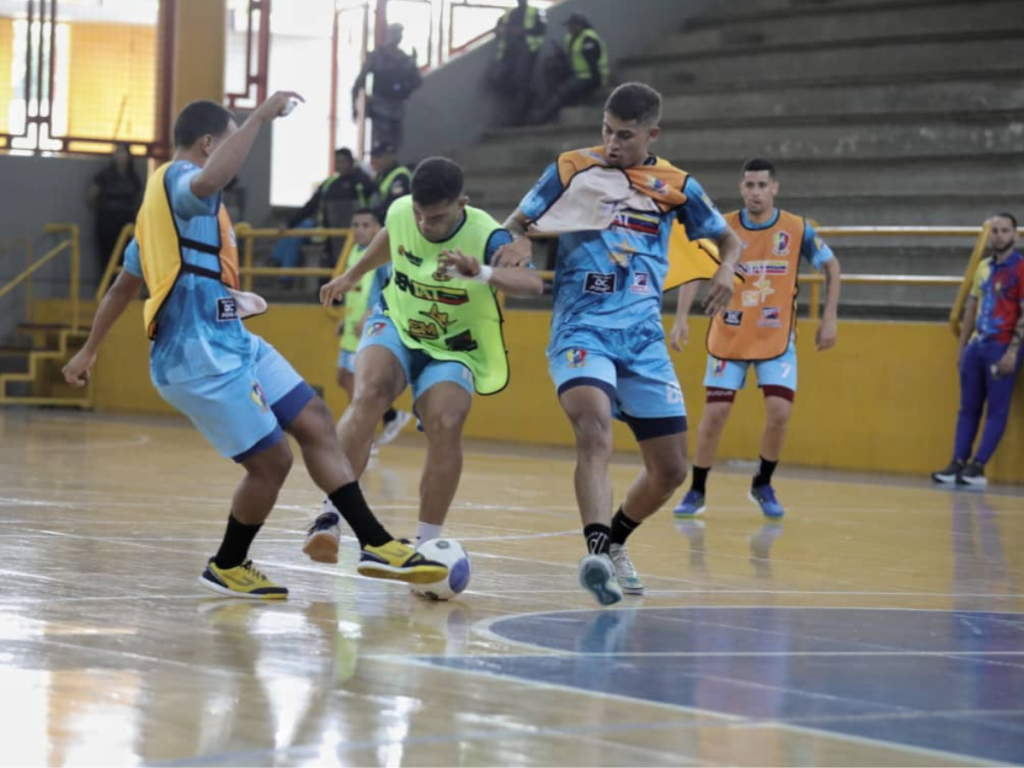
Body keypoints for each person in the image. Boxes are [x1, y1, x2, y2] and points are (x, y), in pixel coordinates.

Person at [61, 95, 447, 599]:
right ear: (207, 144)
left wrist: (89, 349)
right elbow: (204, 181)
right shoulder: (180, 182)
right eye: (228, 141)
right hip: (196, 358)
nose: (234, 153)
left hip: (232, 342)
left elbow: (122, 287)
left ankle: (373, 542)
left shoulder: (163, 217)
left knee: (314, 417)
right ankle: (228, 563)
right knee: (273, 463)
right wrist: (259, 118)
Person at [494, 82, 742, 605]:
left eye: (625, 136)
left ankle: (616, 541)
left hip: (643, 339)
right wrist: (513, 241)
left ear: (652, 133)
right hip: (581, 328)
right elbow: (514, 222)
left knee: (671, 469)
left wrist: (727, 270)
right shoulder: (571, 168)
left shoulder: (676, 185)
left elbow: (730, 238)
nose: (611, 144)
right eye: (606, 131)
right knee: (593, 423)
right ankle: (595, 551)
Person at [312, 156, 544, 555]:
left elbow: (532, 283)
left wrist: (483, 274)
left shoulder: (489, 236)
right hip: (398, 324)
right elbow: (391, 236)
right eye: (420, 214)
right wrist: (352, 275)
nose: (424, 224)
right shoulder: (404, 211)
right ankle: (329, 516)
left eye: (435, 218)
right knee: (367, 394)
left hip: (455, 346)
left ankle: (428, 545)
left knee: (447, 421)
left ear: (462, 204)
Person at [672, 158, 841, 520]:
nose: (756, 192)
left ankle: (762, 483)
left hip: (775, 336)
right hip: (729, 333)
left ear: (775, 188)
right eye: (749, 185)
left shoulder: (797, 229)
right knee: (716, 414)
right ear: (740, 188)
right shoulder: (724, 228)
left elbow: (832, 267)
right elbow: (695, 272)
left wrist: (829, 318)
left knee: (780, 411)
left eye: (762, 185)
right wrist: (681, 319)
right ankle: (697, 489)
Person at [932, 213, 1023, 488]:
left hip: (1001, 344)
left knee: (996, 409)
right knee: (968, 407)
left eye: (1005, 230)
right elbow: (971, 307)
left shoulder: (1021, 268)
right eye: (994, 230)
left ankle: (978, 466)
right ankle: (958, 461)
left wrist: (1013, 351)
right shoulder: (983, 267)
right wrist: (962, 347)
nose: (998, 235)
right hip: (976, 344)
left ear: (1015, 235)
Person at [334, 206, 412, 447]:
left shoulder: (383, 255)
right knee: (345, 377)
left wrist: (371, 312)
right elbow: (357, 289)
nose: (359, 230)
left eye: (365, 225)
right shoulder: (354, 252)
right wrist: (346, 318)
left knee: (360, 383)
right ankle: (390, 417)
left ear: (379, 228)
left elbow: (390, 286)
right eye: (355, 225)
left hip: (370, 326)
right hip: (353, 327)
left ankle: (362, 437)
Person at [271, 147, 376, 270]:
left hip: (356, 234)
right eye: (337, 161)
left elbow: (374, 206)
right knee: (296, 232)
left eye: (343, 161)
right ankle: (281, 269)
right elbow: (310, 206)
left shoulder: (364, 182)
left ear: (351, 162)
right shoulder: (329, 184)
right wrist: (289, 223)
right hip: (328, 234)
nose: (339, 165)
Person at [529, 12, 609, 125]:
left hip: (590, 77)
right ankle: (546, 110)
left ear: (579, 25)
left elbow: (593, 67)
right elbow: (570, 57)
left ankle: (542, 117)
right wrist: (559, 53)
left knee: (564, 90)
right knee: (551, 66)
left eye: (571, 26)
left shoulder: (588, 39)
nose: (568, 29)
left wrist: (593, 86)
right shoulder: (571, 38)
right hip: (577, 74)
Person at [352, 23, 421, 151]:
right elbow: (359, 82)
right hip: (380, 108)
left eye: (400, 33)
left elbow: (416, 81)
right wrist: (355, 107)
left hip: (397, 107)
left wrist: (413, 64)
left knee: (395, 146)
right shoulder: (377, 56)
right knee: (380, 146)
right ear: (389, 34)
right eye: (395, 33)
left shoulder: (403, 58)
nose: (398, 37)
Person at [488, 0, 547, 126]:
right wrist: (499, 30)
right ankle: (528, 97)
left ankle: (517, 119)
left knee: (520, 81)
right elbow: (497, 28)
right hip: (508, 52)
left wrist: (523, 31)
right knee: (497, 78)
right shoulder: (509, 13)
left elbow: (541, 28)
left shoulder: (535, 12)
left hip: (526, 51)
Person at [88, 142, 143, 272]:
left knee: (125, 260)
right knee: (106, 259)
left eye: (122, 152)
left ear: (129, 156)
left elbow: (138, 200)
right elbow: (92, 196)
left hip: (126, 223)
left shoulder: (134, 178)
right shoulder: (104, 176)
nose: (119, 156)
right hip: (107, 222)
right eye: (117, 152)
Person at [370, 142, 413, 218]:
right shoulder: (380, 176)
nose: (373, 161)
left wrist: (371, 214)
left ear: (390, 156)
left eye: (378, 157)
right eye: (372, 157)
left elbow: (394, 204)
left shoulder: (401, 176)